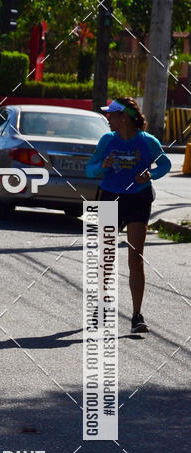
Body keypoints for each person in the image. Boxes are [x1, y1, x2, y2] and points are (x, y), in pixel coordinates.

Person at [85, 97, 171, 334]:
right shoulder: (107, 141)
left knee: (136, 256)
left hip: (138, 198)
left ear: (123, 118)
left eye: (111, 115)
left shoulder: (147, 142)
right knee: (108, 255)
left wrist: (149, 175)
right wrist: (103, 164)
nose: (108, 119)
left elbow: (164, 164)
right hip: (111, 196)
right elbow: (89, 169)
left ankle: (137, 315)